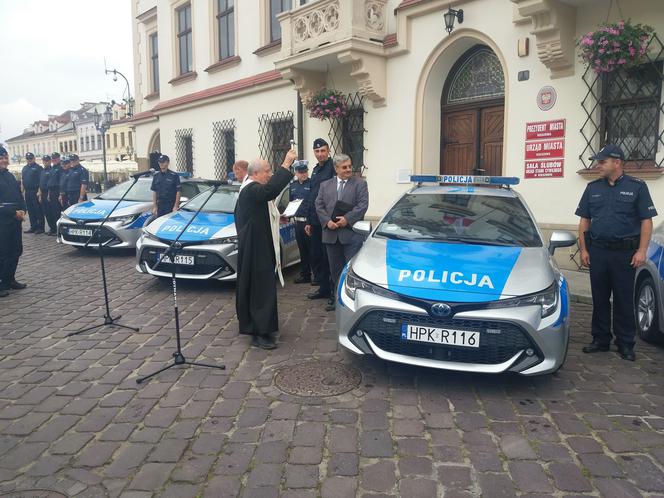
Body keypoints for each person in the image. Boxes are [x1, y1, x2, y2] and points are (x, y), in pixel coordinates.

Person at [576, 144, 658, 361]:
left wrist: (642, 251)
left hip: (625, 254)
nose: (597, 165)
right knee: (600, 298)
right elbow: (584, 220)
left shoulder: (637, 187)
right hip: (598, 252)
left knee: (623, 299)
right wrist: (583, 249)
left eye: (602, 162)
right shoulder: (593, 188)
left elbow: (646, 221)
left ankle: (625, 343)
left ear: (617, 162)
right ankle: (600, 339)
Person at [235, 150, 297, 350]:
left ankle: (264, 326)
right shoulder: (251, 189)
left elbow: (261, 209)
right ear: (255, 174)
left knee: (263, 288)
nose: (270, 174)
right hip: (255, 248)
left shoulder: (252, 188)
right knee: (260, 290)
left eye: (271, 171)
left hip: (259, 244)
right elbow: (270, 191)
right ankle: (259, 333)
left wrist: (278, 217)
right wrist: (286, 164)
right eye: (267, 171)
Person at [315, 154, 369, 311]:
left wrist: (346, 219)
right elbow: (318, 205)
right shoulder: (325, 185)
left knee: (352, 270)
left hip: (351, 235)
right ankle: (336, 297)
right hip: (331, 236)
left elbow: (362, 205)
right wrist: (327, 221)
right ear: (336, 168)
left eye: (349, 166)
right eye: (344, 167)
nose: (348, 169)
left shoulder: (360, 184)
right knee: (335, 270)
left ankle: (352, 299)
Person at [304, 138, 335, 300]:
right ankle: (323, 288)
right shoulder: (316, 170)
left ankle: (332, 291)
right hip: (315, 221)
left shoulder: (332, 168)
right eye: (317, 151)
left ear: (328, 151)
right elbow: (312, 196)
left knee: (328, 257)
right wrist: (309, 221)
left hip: (328, 221)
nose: (320, 154)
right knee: (316, 256)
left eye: (323, 150)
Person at [0, 146, 27, 297]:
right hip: (2, 222)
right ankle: (1, 283)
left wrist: (23, 209)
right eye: (1, 158)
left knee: (15, 251)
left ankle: (9, 278)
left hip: (15, 221)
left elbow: (18, 194)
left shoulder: (9, 176)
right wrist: (13, 212)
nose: (4, 160)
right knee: (2, 253)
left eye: (5, 157)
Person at [289, 160, 312, 284]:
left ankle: (317, 275)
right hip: (297, 222)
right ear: (296, 172)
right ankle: (305, 274)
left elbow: (313, 204)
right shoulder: (292, 186)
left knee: (312, 250)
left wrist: (310, 221)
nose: (303, 174)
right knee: (302, 250)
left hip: (308, 222)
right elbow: (291, 203)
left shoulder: (312, 184)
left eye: (305, 171)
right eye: (300, 172)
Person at [21, 152, 44, 234]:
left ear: (34, 158)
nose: (29, 160)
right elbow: (23, 180)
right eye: (28, 158)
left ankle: (40, 227)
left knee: (38, 210)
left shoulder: (38, 168)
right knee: (30, 210)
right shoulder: (24, 168)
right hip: (27, 191)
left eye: (31, 158)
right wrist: (21, 191)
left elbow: (41, 181)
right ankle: (33, 226)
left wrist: (39, 191)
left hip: (35, 191)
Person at [38, 155, 55, 235]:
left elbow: (50, 184)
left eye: (47, 161)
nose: (45, 162)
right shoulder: (42, 171)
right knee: (46, 212)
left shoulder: (52, 170)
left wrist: (49, 194)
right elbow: (41, 183)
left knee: (51, 212)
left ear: (50, 161)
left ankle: (53, 228)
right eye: (44, 161)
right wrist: (40, 193)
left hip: (49, 193)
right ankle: (51, 228)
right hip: (43, 193)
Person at [46, 152, 63, 235]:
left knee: (58, 212)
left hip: (57, 191)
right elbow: (50, 182)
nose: (54, 159)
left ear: (59, 158)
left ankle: (59, 230)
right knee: (53, 211)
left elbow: (61, 182)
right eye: (52, 158)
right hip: (51, 191)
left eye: (55, 158)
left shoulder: (61, 167)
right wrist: (49, 194)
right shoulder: (52, 168)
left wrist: (60, 194)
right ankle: (54, 228)